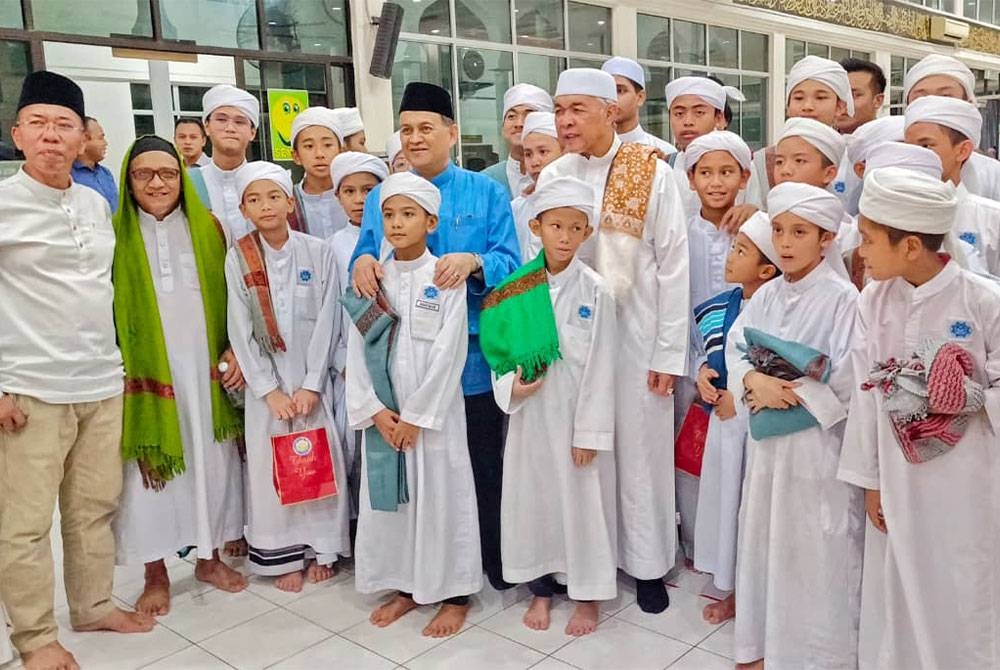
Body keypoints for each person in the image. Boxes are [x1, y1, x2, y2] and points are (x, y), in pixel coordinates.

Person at [0, 70, 155, 670]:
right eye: (38, 124)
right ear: (17, 135)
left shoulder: (94, 202)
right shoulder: (5, 204)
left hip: (99, 381)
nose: (51, 136)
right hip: (31, 388)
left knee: (95, 506)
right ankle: (35, 639)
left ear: (84, 136)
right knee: (24, 525)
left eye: (64, 125)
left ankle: (92, 605)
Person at [351, 82, 521, 593]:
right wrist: (360, 259)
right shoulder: (382, 193)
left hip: (470, 355)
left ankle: (488, 561)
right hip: (404, 360)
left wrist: (475, 262)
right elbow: (366, 255)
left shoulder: (486, 192)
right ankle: (416, 572)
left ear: (452, 132)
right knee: (420, 472)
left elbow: (512, 265)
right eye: (406, 130)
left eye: (426, 128)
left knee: (477, 465)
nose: (416, 138)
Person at [842, 165, 1000, 670]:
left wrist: (962, 395)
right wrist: (870, 480)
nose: (860, 251)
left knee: (965, 586)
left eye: (868, 240)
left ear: (910, 245)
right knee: (900, 588)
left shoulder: (983, 301)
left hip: (969, 484)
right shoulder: (875, 298)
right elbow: (867, 394)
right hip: (897, 479)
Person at [545, 67, 690, 613]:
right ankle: (583, 560)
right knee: (584, 450)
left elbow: (674, 265)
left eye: (578, 109)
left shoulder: (648, 171)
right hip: (572, 338)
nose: (565, 120)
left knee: (640, 450)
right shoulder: (557, 172)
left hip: (636, 336)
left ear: (611, 110)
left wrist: (668, 352)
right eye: (560, 109)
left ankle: (647, 564)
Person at [726, 182, 863, 669]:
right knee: (765, 538)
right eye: (779, 230)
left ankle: (817, 656)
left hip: (815, 449)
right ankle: (761, 645)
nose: (784, 242)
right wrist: (751, 381)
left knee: (817, 549)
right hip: (768, 447)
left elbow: (848, 377)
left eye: (799, 232)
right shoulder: (765, 297)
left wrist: (787, 392)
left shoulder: (844, 300)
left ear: (826, 239)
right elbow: (736, 346)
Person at [110, 136, 247, 616]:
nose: (157, 183)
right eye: (144, 174)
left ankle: (209, 560)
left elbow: (236, 298)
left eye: (167, 173)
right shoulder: (115, 236)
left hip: (206, 374)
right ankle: (155, 573)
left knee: (213, 469)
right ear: (128, 180)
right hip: (147, 381)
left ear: (181, 177)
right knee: (148, 484)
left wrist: (235, 349)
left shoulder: (210, 228)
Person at [345, 171, 482, 638]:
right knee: (396, 508)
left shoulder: (444, 276)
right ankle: (405, 585)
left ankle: (454, 592)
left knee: (442, 498)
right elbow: (356, 351)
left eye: (408, 215)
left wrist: (418, 417)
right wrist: (377, 413)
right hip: (385, 417)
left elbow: (450, 353)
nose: (397, 223)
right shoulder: (371, 278)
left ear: (430, 222)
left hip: (433, 419)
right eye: (388, 214)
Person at [482, 176, 617, 637]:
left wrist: (589, 432)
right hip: (531, 420)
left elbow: (602, 366)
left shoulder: (597, 290)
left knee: (581, 506)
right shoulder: (515, 289)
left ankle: (587, 595)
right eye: (554, 225)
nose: (563, 236)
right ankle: (541, 589)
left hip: (575, 419)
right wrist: (512, 390)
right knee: (533, 503)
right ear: (536, 226)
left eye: (574, 227)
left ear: (587, 233)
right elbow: (497, 354)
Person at [225, 161, 350, 592]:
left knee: (317, 464)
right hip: (270, 391)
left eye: (274, 196)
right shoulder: (238, 257)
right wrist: (269, 391)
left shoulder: (317, 251)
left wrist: (312, 383)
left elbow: (329, 318)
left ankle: (322, 550)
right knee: (272, 469)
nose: (266, 206)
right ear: (243, 208)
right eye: (255, 199)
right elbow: (239, 329)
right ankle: (283, 556)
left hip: (309, 384)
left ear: (290, 201)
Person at [693, 212, 780, 625]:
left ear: (767, 268)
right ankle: (730, 588)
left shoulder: (778, 308)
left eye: (741, 251)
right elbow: (706, 353)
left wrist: (739, 398)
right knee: (726, 505)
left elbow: (779, 373)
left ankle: (755, 595)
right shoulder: (717, 307)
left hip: (757, 428)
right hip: (722, 426)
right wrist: (703, 375)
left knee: (753, 510)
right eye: (732, 247)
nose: (730, 257)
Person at [675, 130, 752, 558]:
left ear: (744, 176)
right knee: (692, 458)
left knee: (738, 464)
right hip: (691, 363)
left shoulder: (756, 230)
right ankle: (696, 547)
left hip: (742, 371)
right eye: (705, 172)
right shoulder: (679, 233)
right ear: (690, 178)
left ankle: (736, 553)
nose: (716, 182)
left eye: (726, 172)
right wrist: (693, 365)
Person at [328, 151, 389, 507]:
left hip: (390, 356)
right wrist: (342, 360)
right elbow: (334, 308)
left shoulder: (393, 238)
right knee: (350, 442)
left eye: (368, 189)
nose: (359, 199)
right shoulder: (333, 245)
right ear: (337, 197)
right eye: (349, 191)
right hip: (349, 360)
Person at [904, 95, 1000, 275]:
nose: (914, 156)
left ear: (963, 150)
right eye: (908, 148)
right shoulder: (894, 215)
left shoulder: (992, 219)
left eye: (926, 146)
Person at [747, 55, 853, 210]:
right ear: (788, 107)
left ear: (840, 107)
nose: (808, 106)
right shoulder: (761, 162)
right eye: (798, 98)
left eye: (820, 97)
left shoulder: (854, 159)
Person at [903, 53, 1000, 201]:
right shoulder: (893, 168)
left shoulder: (993, 176)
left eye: (946, 97)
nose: (932, 104)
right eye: (921, 98)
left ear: (968, 104)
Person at [664, 76, 745, 218]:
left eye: (699, 113)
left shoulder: (741, 162)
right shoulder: (665, 167)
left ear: (719, 118)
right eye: (679, 114)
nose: (688, 122)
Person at [197, 84, 259, 241]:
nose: (230, 128)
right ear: (207, 126)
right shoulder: (190, 182)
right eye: (221, 119)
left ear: (252, 132)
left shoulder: (264, 181)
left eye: (240, 122)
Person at [482, 83, 553, 199]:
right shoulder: (486, 180)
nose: (519, 124)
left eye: (528, 116)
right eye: (511, 116)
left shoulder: (564, 179)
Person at [287, 106, 347, 239]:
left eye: (327, 145)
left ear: (341, 151)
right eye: (309, 146)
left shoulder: (356, 196)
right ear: (296, 156)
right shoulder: (288, 204)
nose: (319, 154)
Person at [836, 58, 887, 214]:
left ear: (878, 100)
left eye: (854, 96)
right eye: (838, 96)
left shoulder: (890, 146)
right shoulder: (818, 145)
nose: (844, 105)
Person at [601, 57, 676, 157]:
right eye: (606, 91)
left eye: (620, 91)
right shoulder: (585, 153)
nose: (612, 98)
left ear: (640, 97)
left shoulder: (664, 152)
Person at [512, 111, 562, 260]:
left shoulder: (580, 202)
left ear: (564, 152)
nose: (535, 162)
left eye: (543, 152)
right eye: (528, 154)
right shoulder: (517, 207)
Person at [71, 116, 118, 213]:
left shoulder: (105, 173)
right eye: (101, 138)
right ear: (84, 139)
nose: (105, 143)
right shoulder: (68, 176)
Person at [838, 58, 886, 135]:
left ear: (878, 101)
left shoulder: (896, 142)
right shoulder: (819, 142)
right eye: (837, 94)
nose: (841, 103)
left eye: (853, 95)